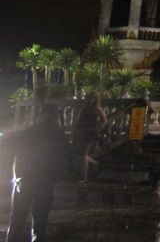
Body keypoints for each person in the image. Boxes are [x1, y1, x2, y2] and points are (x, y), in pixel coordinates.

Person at [6, 104, 67, 242]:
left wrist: (17, 177)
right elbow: (65, 160)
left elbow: (17, 155)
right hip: (44, 181)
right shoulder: (58, 136)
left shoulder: (29, 133)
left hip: (25, 178)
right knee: (40, 223)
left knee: (17, 220)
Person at [72, 93, 107, 182]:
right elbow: (78, 120)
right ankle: (95, 163)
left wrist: (98, 128)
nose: (89, 101)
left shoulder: (96, 109)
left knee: (83, 155)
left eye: (91, 99)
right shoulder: (84, 108)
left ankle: (84, 178)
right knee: (78, 155)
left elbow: (104, 120)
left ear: (94, 100)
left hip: (90, 133)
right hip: (81, 131)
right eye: (87, 98)